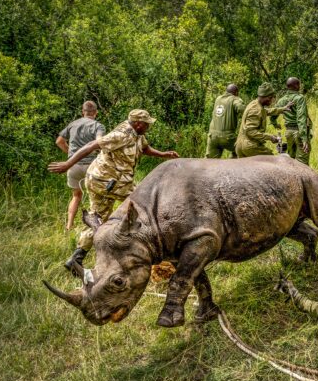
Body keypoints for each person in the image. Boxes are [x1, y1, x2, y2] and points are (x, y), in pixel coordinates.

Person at [48, 109, 179, 273]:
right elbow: (91, 145)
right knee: (146, 204)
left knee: (97, 219)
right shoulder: (121, 134)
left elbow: (144, 148)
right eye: (147, 124)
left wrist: (164, 154)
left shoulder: (137, 134)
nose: (148, 127)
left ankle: (76, 259)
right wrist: (68, 164)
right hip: (106, 181)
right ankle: (159, 253)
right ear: (138, 123)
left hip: (109, 180)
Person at [55, 101, 106, 231]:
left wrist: (72, 156)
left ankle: (69, 226)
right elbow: (99, 142)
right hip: (92, 166)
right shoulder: (98, 126)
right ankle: (95, 227)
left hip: (74, 166)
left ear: (83, 112)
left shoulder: (73, 124)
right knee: (95, 196)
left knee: (76, 196)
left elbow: (59, 141)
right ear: (96, 112)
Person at [235, 83, 293, 157]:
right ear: (264, 97)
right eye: (270, 98)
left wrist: (283, 109)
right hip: (250, 146)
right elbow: (250, 131)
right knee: (272, 161)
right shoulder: (256, 110)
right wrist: (270, 137)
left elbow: (266, 111)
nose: (272, 100)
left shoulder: (254, 104)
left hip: (240, 145)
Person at [273, 77, 311, 165]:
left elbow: (273, 114)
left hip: (288, 132)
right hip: (299, 132)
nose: (300, 86)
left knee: (291, 161)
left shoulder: (282, 100)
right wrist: (304, 138)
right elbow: (301, 118)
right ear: (296, 85)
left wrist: (275, 124)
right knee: (302, 163)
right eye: (299, 84)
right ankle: (302, 179)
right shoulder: (299, 98)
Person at [206, 84, 245, 159]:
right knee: (243, 149)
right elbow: (241, 109)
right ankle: (232, 164)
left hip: (212, 136)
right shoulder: (234, 99)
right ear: (236, 92)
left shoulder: (218, 98)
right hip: (227, 137)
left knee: (211, 162)